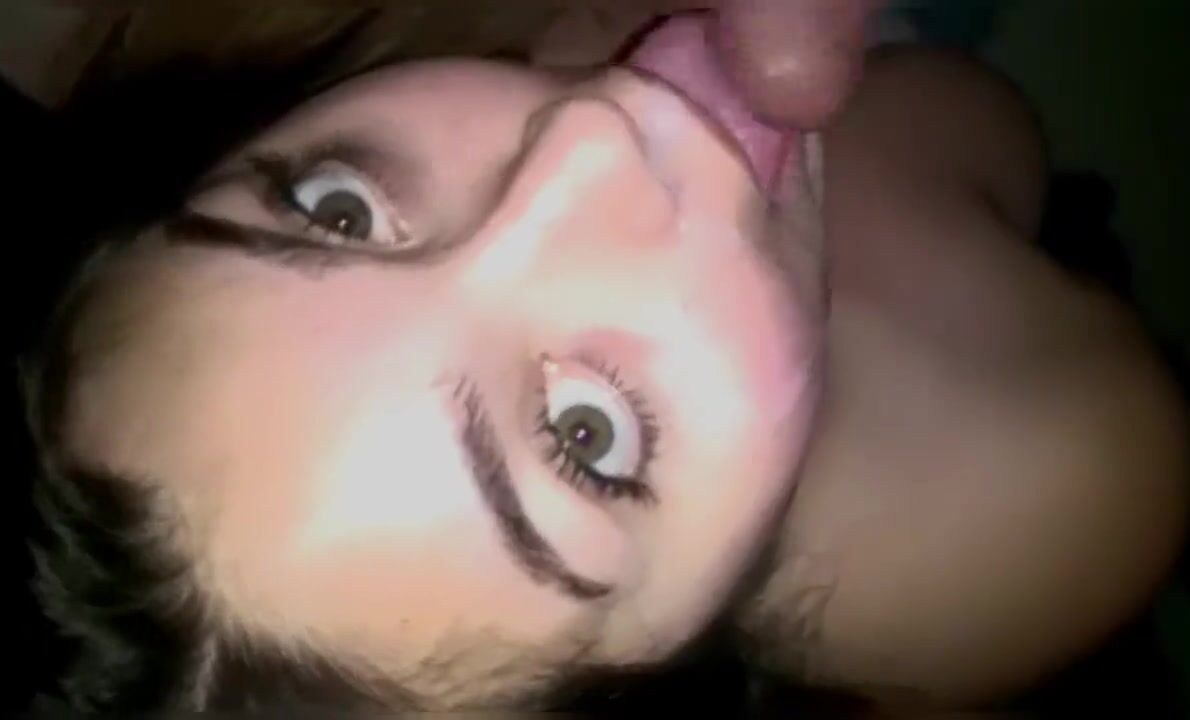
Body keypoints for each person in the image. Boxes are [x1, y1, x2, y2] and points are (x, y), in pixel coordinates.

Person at [21, 4, 1186, 714]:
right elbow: (982, 127)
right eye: (588, 436)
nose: (585, 142)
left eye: (333, 210)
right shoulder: (1048, 493)